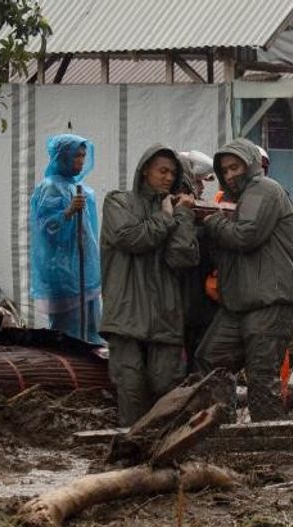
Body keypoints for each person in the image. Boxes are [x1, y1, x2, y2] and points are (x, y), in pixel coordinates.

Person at [196, 138, 293, 420]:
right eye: (225, 170)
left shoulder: (263, 188)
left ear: (251, 164)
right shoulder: (237, 201)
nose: (230, 174)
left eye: (235, 167)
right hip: (241, 303)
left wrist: (211, 221)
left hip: (270, 300)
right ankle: (220, 426)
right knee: (211, 359)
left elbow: (246, 235)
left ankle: (266, 438)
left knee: (262, 377)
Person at [99, 145, 200, 426]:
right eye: (162, 171)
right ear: (145, 170)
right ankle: (131, 448)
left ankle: (166, 448)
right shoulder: (118, 202)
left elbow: (182, 257)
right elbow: (130, 238)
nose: (168, 178)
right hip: (126, 313)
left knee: (166, 387)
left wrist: (182, 216)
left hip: (164, 314)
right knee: (130, 387)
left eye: (173, 173)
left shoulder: (176, 209)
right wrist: (165, 219)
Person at [29, 133, 102, 344]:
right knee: (68, 333)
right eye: (76, 156)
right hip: (63, 273)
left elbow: (90, 232)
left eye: (83, 156)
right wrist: (68, 212)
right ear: (62, 157)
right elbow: (44, 229)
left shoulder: (85, 191)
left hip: (85, 270)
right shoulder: (49, 187)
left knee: (91, 327)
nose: (81, 161)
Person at [177, 150, 218, 360]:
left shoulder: (205, 212)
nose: (201, 187)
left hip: (201, 302)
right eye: (198, 182)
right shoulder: (177, 212)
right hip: (185, 302)